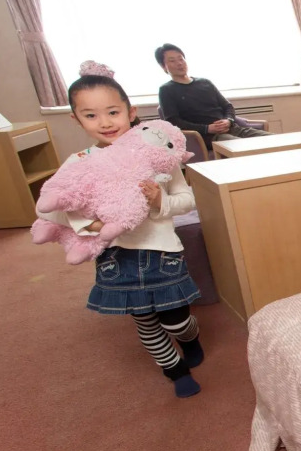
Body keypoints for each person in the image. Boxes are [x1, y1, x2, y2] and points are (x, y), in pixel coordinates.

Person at [36, 61, 205, 399]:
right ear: (76, 119)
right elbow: (54, 206)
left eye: (113, 112)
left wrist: (159, 201)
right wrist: (93, 225)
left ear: (131, 112)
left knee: (175, 320)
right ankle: (175, 370)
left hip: (162, 253)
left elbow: (187, 199)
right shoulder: (79, 161)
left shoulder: (156, 153)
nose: (105, 122)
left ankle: (190, 338)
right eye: (91, 115)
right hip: (117, 256)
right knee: (145, 321)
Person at [154, 43, 269, 150]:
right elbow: (173, 121)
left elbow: (227, 106)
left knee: (273, 140)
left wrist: (228, 120)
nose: (179, 63)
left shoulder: (205, 83)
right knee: (244, 147)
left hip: (233, 129)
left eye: (181, 58)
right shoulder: (166, 90)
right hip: (208, 137)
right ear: (163, 66)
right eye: (172, 61)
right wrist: (207, 128)